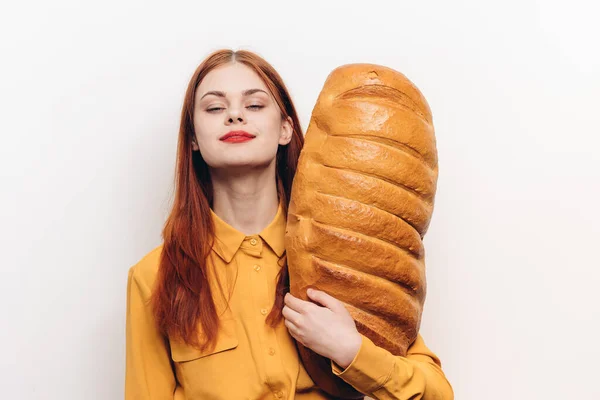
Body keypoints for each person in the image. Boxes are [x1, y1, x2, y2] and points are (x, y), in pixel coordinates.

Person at [125, 48, 454, 400]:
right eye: (215, 107)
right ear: (192, 137)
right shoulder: (155, 277)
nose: (235, 115)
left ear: (285, 129)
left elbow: (437, 394)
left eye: (254, 105)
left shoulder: (343, 253)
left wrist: (352, 351)